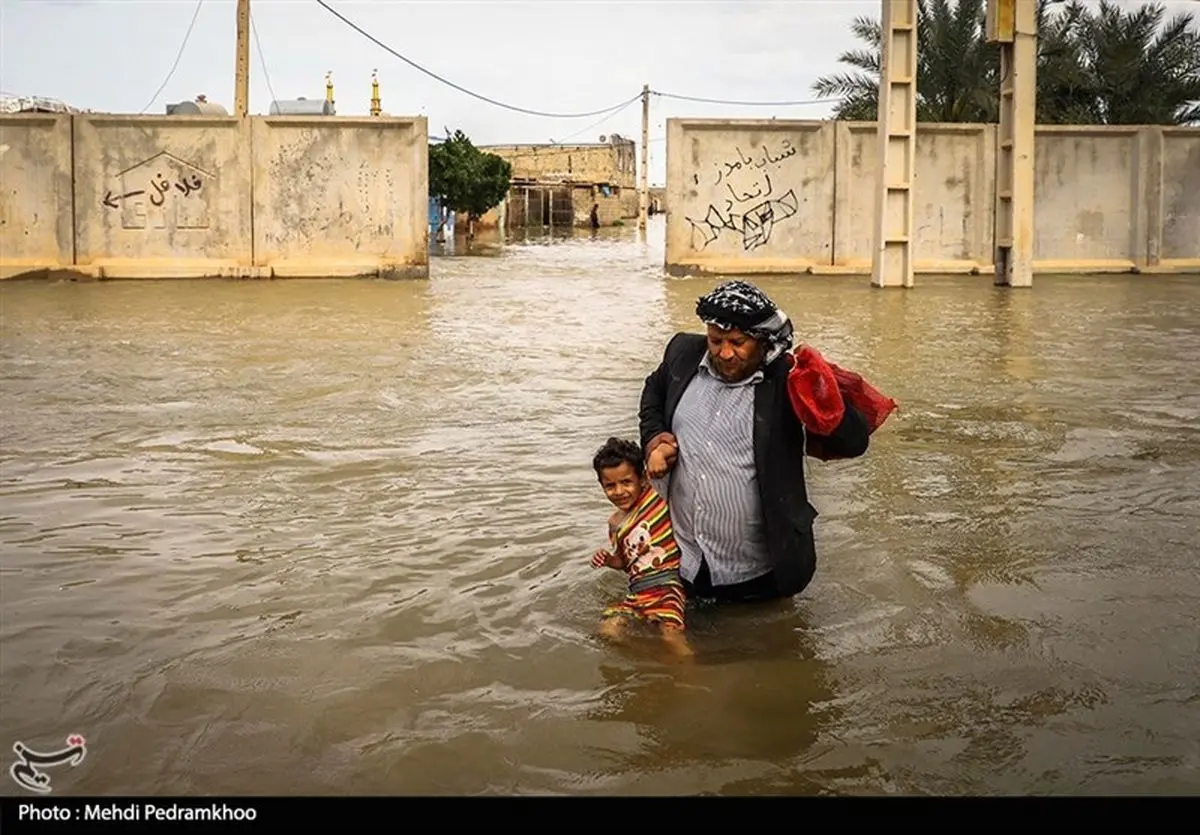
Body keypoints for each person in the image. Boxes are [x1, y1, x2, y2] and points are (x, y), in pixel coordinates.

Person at [638, 280, 871, 605]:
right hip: (684, 564)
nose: (724, 352)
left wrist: (823, 393)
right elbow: (654, 390)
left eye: (738, 342)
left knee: (766, 643)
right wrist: (653, 439)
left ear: (762, 341)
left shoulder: (787, 379)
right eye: (716, 340)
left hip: (759, 575)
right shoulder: (683, 353)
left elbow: (854, 442)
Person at [589, 437, 692, 657]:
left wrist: (658, 452)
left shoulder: (655, 497)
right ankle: (643, 659)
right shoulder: (615, 524)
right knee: (608, 630)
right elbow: (626, 564)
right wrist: (608, 560)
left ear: (642, 478)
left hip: (668, 587)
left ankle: (689, 676)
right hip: (638, 593)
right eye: (610, 485)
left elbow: (672, 452)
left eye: (626, 482)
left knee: (670, 635)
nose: (619, 491)